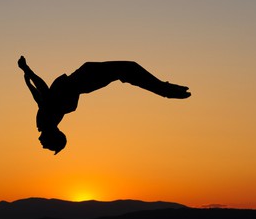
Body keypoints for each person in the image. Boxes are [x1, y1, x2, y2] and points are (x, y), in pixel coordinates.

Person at [18, 56, 191, 155]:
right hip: (83, 80)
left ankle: (164, 89)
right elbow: (41, 96)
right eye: (49, 147)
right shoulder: (48, 120)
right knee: (126, 70)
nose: (43, 146)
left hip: (83, 79)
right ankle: (164, 89)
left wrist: (28, 73)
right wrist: (28, 74)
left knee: (126, 70)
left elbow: (42, 94)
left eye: (48, 147)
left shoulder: (47, 120)